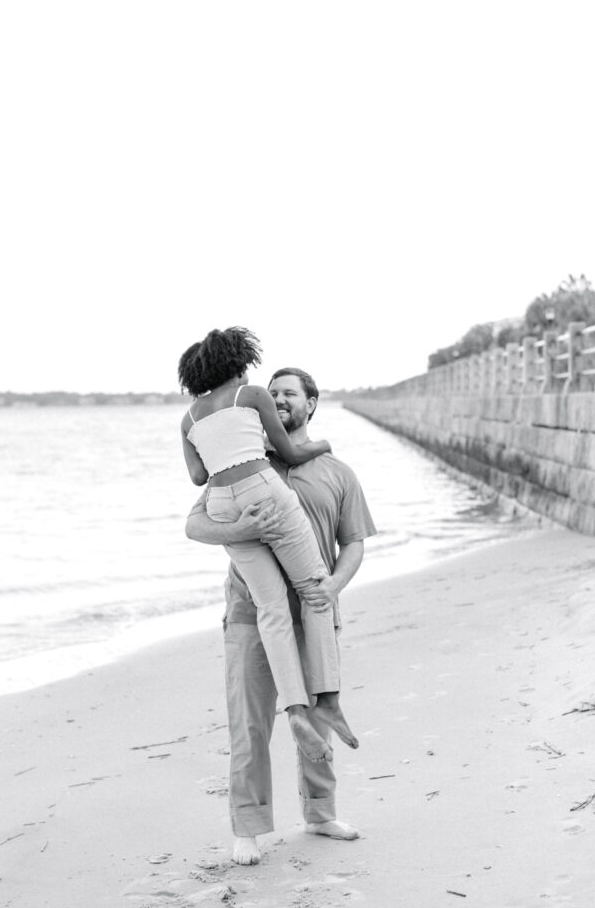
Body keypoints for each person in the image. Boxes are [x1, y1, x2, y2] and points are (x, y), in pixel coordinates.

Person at [186, 367, 376, 865]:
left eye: (289, 393)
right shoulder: (245, 460)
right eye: (272, 394)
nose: (279, 400)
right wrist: (238, 527)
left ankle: (320, 813)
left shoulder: (338, 473)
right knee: (248, 725)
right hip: (250, 614)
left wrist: (334, 585)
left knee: (319, 719)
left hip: (312, 609)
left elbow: (354, 542)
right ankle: (247, 827)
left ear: (311, 403)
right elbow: (197, 523)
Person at [178, 327, 357, 761]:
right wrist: (325, 443)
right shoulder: (251, 395)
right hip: (262, 489)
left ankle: (296, 710)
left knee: (271, 607)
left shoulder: (189, 418)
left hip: (222, 505)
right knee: (315, 586)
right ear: (238, 364)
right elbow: (291, 455)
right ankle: (327, 699)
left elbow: (199, 478)